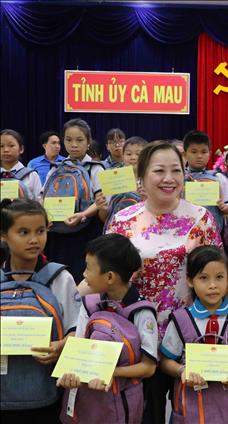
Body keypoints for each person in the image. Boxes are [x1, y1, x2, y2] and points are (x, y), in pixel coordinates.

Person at [105, 140, 222, 424]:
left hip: (190, 333)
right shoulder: (123, 221)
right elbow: (107, 278)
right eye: (159, 171)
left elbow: (218, 275)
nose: (169, 178)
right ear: (142, 176)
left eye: (176, 170)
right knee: (146, 412)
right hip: (138, 335)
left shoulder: (201, 219)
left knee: (193, 411)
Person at [57, 234, 158, 424]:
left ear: (110, 276)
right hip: (88, 401)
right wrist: (70, 374)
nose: (84, 274)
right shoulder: (89, 304)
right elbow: (77, 350)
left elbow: (149, 367)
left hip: (123, 401)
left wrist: (111, 373)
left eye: (88, 268)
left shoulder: (141, 312)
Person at [160, 246, 228, 423]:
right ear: (190, 280)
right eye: (204, 278)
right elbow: (166, 361)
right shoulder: (180, 319)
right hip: (192, 408)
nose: (213, 285)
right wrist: (182, 370)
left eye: (219, 277)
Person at [0, 199, 79, 421]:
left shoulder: (60, 278)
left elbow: (76, 329)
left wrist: (60, 346)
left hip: (45, 395)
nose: (34, 240)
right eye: (23, 232)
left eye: (41, 231)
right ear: (3, 235)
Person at [43, 119, 105, 282]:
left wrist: (83, 214)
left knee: (83, 277)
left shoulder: (95, 168)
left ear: (88, 142)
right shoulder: (56, 168)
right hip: (57, 232)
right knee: (57, 277)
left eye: (79, 140)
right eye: (69, 140)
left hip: (86, 231)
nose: (74, 145)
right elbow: (43, 198)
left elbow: (100, 201)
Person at [183, 130, 228, 233]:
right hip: (185, 232)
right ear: (185, 154)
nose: (199, 156)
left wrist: (226, 208)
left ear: (209, 154)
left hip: (213, 233)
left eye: (204, 152)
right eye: (194, 152)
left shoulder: (218, 177)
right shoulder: (180, 178)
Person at [1, 129, 42, 200]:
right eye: (1, 146)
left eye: (11, 145)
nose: (6, 150)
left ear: (21, 149)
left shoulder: (31, 175)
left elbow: (39, 202)